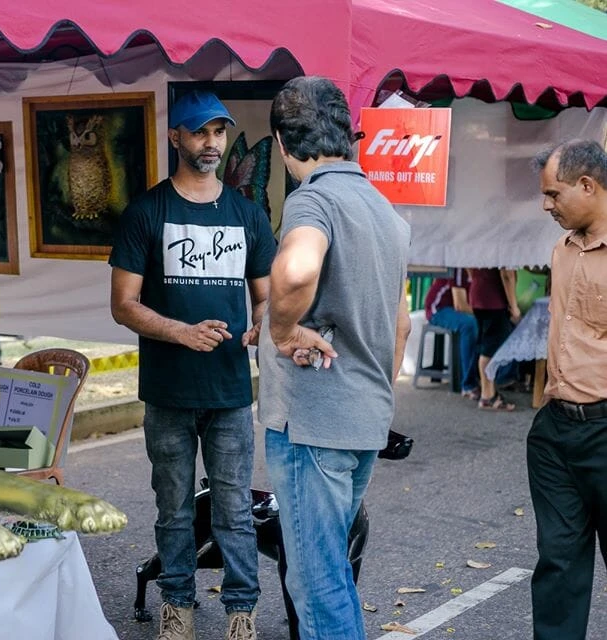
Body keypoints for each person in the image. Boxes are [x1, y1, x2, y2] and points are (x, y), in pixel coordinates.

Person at [109, 90, 276, 640]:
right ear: (175, 136)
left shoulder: (247, 214)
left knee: (234, 510)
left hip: (229, 392)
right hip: (168, 391)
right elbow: (123, 304)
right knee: (174, 509)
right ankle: (176, 606)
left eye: (219, 132)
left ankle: (240, 613)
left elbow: (266, 297)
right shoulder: (146, 212)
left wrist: (261, 323)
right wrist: (181, 332)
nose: (212, 143)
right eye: (200, 132)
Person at [258, 76, 411, 640]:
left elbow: (297, 270)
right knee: (333, 573)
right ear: (347, 134)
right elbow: (399, 324)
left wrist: (281, 331)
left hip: (314, 425)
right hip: (364, 418)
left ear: (282, 142)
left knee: (317, 583)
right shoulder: (384, 210)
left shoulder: (313, 199)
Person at [528, 139, 607, 640]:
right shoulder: (562, 249)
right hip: (556, 431)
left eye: (554, 194)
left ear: (587, 185)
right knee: (558, 565)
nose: (546, 205)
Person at [467, 267, 520, 410]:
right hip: (495, 299)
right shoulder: (503, 250)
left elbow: (467, 265)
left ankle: (489, 391)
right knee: (489, 349)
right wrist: (514, 306)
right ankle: (487, 396)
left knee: (486, 346)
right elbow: (507, 274)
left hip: (477, 295)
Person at [423, 269, 480, 398]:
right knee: (470, 324)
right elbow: (460, 305)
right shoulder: (458, 267)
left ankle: (498, 380)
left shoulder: (480, 269)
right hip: (438, 309)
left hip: (457, 310)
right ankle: (468, 385)